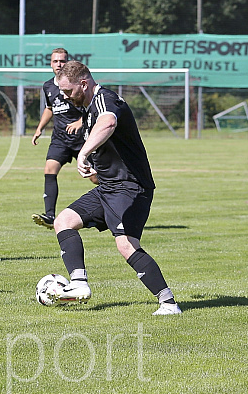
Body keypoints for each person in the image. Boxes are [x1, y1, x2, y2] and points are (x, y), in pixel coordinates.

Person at [51, 60, 181, 316]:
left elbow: (109, 123)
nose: (65, 97)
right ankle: (78, 284)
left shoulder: (105, 100)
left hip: (131, 188)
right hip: (109, 187)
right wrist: (94, 170)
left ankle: (169, 303)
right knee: (63, 221)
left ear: (84, 84)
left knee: (126, 245)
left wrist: (83, 153)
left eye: (68, 91)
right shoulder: (87, 110)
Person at [31, 48, 89, 230]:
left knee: (95, 178)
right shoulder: (48, 86)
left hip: (83, 138)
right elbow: (50, 108)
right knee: (49, 169)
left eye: (62, 61)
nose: (59, 65)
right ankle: (49, 216)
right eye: (55, 61)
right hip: (60, 138)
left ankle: (115, 206)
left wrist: (81, 122)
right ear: (50, 63)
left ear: (68, 62)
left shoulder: (78, 84)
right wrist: (40, 128)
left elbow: (91, 106)